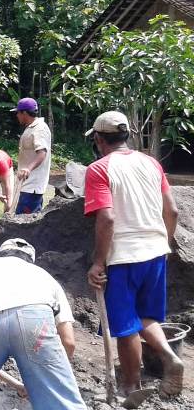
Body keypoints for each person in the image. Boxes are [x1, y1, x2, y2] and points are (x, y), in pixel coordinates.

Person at [83, 111, 183, 398]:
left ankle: (129, 386)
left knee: (126, 325)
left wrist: (98, 262)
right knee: (146, 316)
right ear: (127, 135)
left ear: (99, 139)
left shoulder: (99, 169)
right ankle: (169, 356)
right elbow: (172, 211)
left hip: (123, 257)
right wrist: (164, 242)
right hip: (155, 252)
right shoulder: (151, 163)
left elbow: (107, 218)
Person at [0, 238, 86, 410]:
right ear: (30, 260)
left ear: (0, 255)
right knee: (60, 401)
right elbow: (69, 342)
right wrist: (45, 377)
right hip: (35, 324)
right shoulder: (46, 277)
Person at [12, 97, 51, 214]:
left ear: (24, 113)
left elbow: (42, 152)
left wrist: (28, 169)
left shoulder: (39, 129)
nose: (17, 116)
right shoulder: (31, 127)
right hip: (26, 184)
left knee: (26, 222)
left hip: (32, 185)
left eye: (18, 113)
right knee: (23, 219)